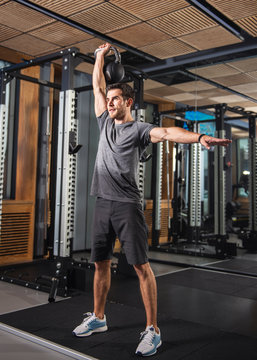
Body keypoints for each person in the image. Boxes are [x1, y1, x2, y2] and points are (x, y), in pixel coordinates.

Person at [72, 43, 232, 356]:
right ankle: (99, 318)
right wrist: (99, 57)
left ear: (128, 102)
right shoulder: (104, 121)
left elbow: (169, 134)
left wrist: (200, 138)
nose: (110, 101)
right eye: (110, 98)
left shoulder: (139, 129)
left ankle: (152, 330)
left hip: (127, 207)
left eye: (116, 98)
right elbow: (96, 84)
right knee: (100, 263)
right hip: (102, 203)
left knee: (141, 268)